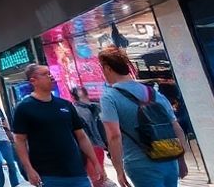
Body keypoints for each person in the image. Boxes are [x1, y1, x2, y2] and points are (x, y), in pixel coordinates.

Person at [98, 47, 186, 187]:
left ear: (107, 68)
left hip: (140, 163)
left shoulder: (109, 97)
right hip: (169, 158)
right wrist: (181, 160)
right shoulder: (154, 93)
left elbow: (114, 136)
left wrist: (119, 170)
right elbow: (177, 128)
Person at [11, 64, 101, 187]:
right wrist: (28, 169)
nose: (51, 76)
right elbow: (19, 141)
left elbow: (81, 136)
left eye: (50, 73)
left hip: (77, 172)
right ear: (33, 81)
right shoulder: (24, 108)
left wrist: (95, 162)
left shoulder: (65, 105)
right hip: (48, 175)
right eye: (45, 74)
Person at [69, 87, 107, 183]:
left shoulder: (93, 108)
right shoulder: (92, 108)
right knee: (97, 176)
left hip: (93, 146)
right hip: (93, 145)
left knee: (97, 176)